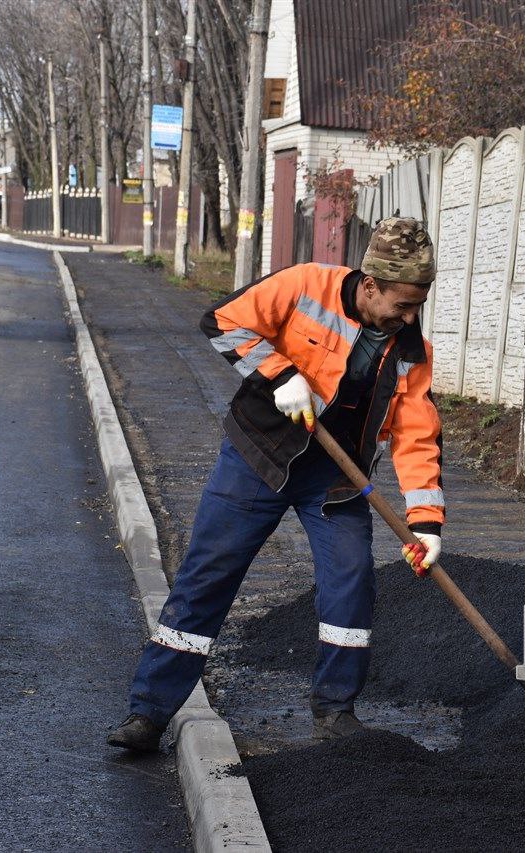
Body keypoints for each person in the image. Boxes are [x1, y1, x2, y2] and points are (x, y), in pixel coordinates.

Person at [108, 217, 446, 751]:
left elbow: (416, 431)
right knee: (208, 576)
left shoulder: (407, 348)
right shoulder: (306, 285)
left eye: (417, 306)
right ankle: (148, 712)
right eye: (403, 304)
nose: (411, 317)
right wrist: (281, 375)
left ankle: (336, 711)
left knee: (351, 584)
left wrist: (426, 523)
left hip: (336, 478)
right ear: (371, 285)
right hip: (258, 458)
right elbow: (223, 321)